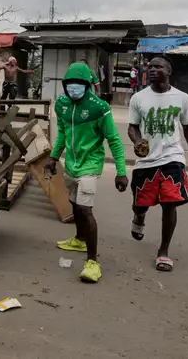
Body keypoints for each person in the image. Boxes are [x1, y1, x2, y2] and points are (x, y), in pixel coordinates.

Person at [48, 63, 128, 283]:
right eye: (70, 84)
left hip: (90, 165)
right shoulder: (62, 105)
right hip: (71, 165)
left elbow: (114, 140)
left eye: (78, 84)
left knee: (85, 209)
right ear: (64, 85)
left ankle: (92, 262)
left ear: (87, 85)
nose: (73, 88)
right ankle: (79, 238)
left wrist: (121, 171)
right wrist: (54, 157)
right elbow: (62, 133)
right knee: (74, 203)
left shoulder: (99, 108)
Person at [127, 56, 188, 272]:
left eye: (158, 66)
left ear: (169, 71)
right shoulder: (138, 98)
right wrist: (137, 140)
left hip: (173, 157)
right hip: (146, 161)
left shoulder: (182, 98)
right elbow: (132, 127)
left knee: (169, 202)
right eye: (150, 66)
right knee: (140, 203)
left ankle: (163, 251)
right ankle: (139, 216)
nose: (152, 69)